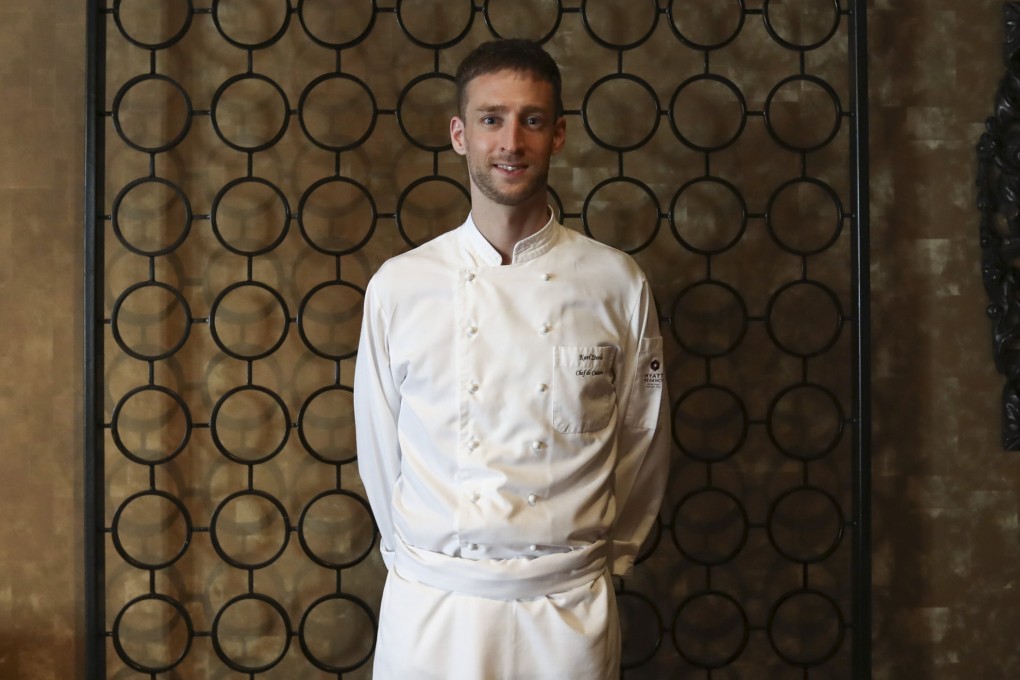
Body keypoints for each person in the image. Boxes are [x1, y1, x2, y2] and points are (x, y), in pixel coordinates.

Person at [353, 38, 669, 679]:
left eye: (531, 120)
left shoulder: (615, 282)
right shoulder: (400, 285)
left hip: (566, 610)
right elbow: (379, 446)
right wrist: (420, 554)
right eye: (491, 119)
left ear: (557, 135)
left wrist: (608, 557)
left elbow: (642, 440)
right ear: (459, 134)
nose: (510, 142)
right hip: (432, 608)